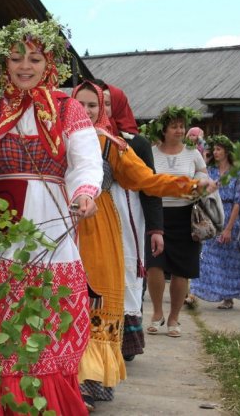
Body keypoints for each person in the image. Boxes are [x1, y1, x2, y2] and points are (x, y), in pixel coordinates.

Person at [0, 16, 102, 416]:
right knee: (3, 320)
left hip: (51, 220)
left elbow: (87, 162)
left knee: (49, 319)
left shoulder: (68, 109)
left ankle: (46, 403)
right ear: (3, 63)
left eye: (35, 59)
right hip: (1, 222)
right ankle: (7, 402)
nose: (25, 66)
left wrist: (85, 194)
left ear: (49, 63)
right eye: (17, 58)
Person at [72, 81, 215, 408]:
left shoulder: (112, 144)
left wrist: (190, 186)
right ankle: (58, 382)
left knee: (97, 298)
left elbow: (147, 181)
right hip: (62, 226)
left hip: (99, 229)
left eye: (93, 105)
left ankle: (89, 382)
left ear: (103, 109)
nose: (86, 111)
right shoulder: (56, 139)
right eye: (80, 104)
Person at [102, 83, 164, 363]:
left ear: (117, 106)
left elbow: (150, 187)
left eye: (106, 103)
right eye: (95, 103)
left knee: (127, 271)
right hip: (95, 211)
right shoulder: (83, 138)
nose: (100, 109)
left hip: (128, 215)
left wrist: (156, 229)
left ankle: (125, 341)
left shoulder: (136, 143)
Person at [147, 107, 208, 338]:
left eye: (182, 126)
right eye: (174, 126)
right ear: (163, 130)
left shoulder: (192, 153)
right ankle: (157, 313)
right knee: (154, 265)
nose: (180, 130)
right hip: (157, 214)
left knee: (182, 270)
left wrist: (199, 183)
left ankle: (174, 317)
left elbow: (203, 173)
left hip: (185, 215)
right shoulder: (152, 152)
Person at [190, 135, 240, 310]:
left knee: (228, 260)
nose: (215, 152)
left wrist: (228, 229)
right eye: (214, 149)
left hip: (230, 217)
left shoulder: (237, 174)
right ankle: (193, 293)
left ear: (226, 152)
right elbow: (200, 191)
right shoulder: (210, 171)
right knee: (206, 256)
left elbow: (238, 202)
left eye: (218, 149)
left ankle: (228, 297)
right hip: (212, 214)